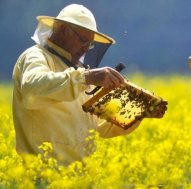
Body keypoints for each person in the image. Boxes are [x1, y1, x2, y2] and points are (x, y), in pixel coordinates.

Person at [12, 4, 167, 165]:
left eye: (90, 45)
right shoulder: (36, 56)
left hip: (81, 180)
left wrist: (139, 112)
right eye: (84, 41)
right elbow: (32, 90)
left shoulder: (77, 72)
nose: (86, 50)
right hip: (42, 179)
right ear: (64, 30)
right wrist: (86, 78)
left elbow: (97, 127)